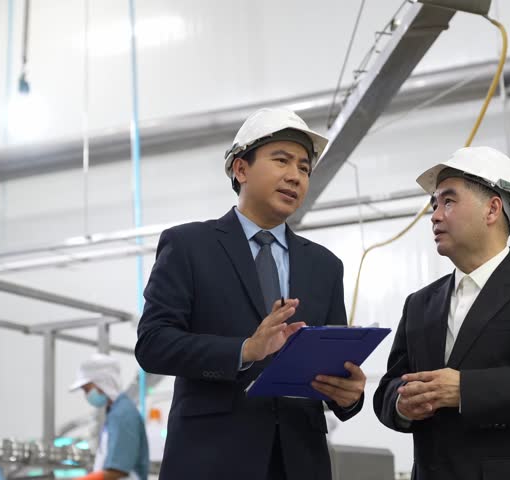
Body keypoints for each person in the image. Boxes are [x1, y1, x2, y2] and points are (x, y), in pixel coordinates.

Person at [135, 107, 366, 480]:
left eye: (304, 168)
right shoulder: (189, 246)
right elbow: (153, 344)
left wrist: (349, 395)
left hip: (299, 462)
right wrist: (245, 350)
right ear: (241, 169)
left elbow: (330, 361)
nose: (295, 176)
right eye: (282, 161)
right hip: (210, 460)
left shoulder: (325, 266)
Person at [373, 146, 510, 480]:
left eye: (448, 201)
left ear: (492, 210)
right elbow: (391, 387)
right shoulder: (420, 304)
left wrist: (467, 390)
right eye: (434, 204)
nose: (434, 215)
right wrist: (401, 406)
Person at [68, 354, 148, 480]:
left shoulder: (123, 414)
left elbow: (118, 470)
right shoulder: (116, 412)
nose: (87, 395)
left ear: (102, 382)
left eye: (87, 389)